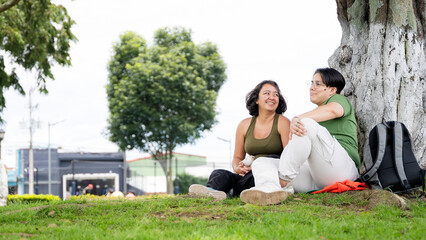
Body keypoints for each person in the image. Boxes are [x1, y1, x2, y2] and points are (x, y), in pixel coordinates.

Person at [240, 67, 360, 205]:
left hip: (342, 171)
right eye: (311, 83)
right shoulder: (315, 113)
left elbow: (333, 110)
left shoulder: (339, 100)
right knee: (262, 162)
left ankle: (284, 180)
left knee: (304, 124)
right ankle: (269, 190)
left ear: (332, 90)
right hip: (317, 178)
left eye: (318, 84)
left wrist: (297, 119)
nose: (312, 88)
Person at [189, 80, 291, 200]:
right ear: (256, 99)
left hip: (269, 176)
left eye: (276, 94)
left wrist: (259, 167)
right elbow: (237, 157)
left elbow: (289, 156)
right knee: (219, 174)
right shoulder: (244, 125)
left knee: (259, 172)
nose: (272, 97)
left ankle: (235, 191)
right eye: (267, 93)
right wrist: (238, 168)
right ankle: (213, 193)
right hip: (248, 176)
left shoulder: (283, 122)